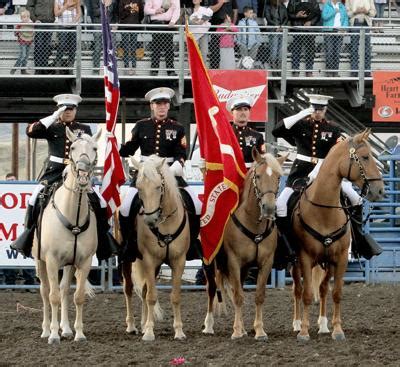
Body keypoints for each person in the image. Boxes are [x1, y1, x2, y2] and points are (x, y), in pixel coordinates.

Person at [272, 94, 382, 265]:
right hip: (299, 174)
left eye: (320, 109)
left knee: (355, 199)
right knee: (280, 204)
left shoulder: (333, 128)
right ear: (310, 109)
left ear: (325, 110)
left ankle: (358, 242)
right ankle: (286, 246)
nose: (317, 112)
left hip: (326, 173)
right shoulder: (300, 124)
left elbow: (341, 148)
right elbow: (276, 130)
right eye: (314, 109)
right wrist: (302, 114)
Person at [10, 94, 118, 262]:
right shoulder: (51, 126)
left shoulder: (85, 129)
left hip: (77, 172)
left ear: (76, 110)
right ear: (59, 109)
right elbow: (31, 131)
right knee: (34, 198)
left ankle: (103, 239)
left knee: (100, 202)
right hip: (54, 172)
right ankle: (29, 236)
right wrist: (53, 116)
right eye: (65, 109)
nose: (68, 112)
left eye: (71, 109)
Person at [118, 87, 202, 262]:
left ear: (168, 107)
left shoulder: (177, 128)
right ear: (152, 106)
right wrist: (118, 146)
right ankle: (129, 245)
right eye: (158, 104)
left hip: (171, 173)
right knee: (125, 208)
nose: (162, 107)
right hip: (146, 174)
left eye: (165, 104)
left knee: (197, 205)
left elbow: (181, 154)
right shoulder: (141, 126)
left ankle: (192, 244)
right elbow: (130, 148)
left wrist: (172, 170)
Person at [144, 0, 181, 76]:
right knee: (156, 47)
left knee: (169, 48)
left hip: (169, 24)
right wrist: (155, 11)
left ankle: (171, 71)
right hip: (156, 23)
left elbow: (177, 10)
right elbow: (146, 10)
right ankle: (154, 70)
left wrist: (173, 21)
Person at [287, 0, 321, 77]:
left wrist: (311, 22)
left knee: (310, 51)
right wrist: (296, 15)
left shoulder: (314, 2)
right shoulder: (292, 1)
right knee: (296, 50)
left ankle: (309, 71)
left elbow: (318, 14)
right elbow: (288, 14)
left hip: (309, 30)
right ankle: (295, 70)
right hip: (297, 29)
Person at [346, 0, 376, 77]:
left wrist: (367, 12)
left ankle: (367, 72)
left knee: (367, 49)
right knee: (354, 48)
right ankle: (354, 72)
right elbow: (347, 13)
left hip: (366, 23)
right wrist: (355, 12)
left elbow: (373, 12)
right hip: (354, 23)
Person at [26, 0, 56, 74]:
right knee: (39, 45)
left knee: (46, 46)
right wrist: (35, 19)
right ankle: (38, 68)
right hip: (39, 22)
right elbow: (29, 6)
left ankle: (44, 67)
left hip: (50, 22)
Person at [321, 0, 349, 77]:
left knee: (337, 52)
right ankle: (329, 71)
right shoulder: (327, 5)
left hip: (339, 32)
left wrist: (344, 28)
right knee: (329, 51)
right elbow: (324, 17)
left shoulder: (342, 6)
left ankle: (336, 71)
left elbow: (346, 18)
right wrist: (334, 12)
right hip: (329, 31)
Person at [54, 0, 81, 75]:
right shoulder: (58, 1)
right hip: (62, 26)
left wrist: (73, 22)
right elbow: (56, 14)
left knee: (73, 47)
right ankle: (57, 67)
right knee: (62, 45)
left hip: (72, 26)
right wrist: (65, 6)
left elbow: (79, 13)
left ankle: (70, 67)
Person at [119, 0, 144, 75]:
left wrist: (136, 21)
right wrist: (129, 8)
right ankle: (126, 67)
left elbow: (141, 14)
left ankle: (133, 67)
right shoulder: (122, 1)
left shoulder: (139, 1)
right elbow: (121, 15)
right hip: (124, 26)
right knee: (126, 47)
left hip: (135, 26)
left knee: (133, 48)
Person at [264, 0, 288, 74]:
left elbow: (286, 18)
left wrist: (282, 27)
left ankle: (279, 66)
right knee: (274, 49)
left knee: (281, 50)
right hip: (273, 29)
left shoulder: (283, 6)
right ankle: (273, 66)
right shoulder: (268, 7)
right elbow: (268, 19)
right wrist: (276, 27)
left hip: (281, 30)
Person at [11, 9, 34, 75]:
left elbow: (33, 31)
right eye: (23, 17)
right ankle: (14, 68)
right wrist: (17, 32)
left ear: (29, 17)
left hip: (29, 42)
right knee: (23, 55)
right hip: (22, 42)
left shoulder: (31, 24)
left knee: (26, 57)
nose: (25, 18)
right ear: (21, 18)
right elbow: (15, 33)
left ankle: (23, 70)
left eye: (27, 17)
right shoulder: (20, 24)